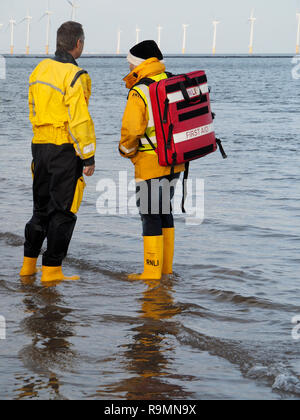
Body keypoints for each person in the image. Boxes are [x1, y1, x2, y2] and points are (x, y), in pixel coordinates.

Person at [20, 21, 96, 283]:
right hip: (64, 148)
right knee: (63, 210)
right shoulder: (77, 75)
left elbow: (31, 106)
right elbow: (79, 120)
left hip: (39, 145)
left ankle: (28, 267)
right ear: (78, 43)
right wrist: (88, 155)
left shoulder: (40, 68)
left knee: (40, 207)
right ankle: (52, 271)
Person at [119, 40, 185, 281]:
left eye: (129, 64)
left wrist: (127, 152)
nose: (128, 69)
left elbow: (130, 131)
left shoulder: (140, 90)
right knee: (164, 210)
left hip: (149, 161)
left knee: (149, 213)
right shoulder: (171, 81)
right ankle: (165, 270)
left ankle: (151, 272)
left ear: (138, 64)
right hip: (176, 159)